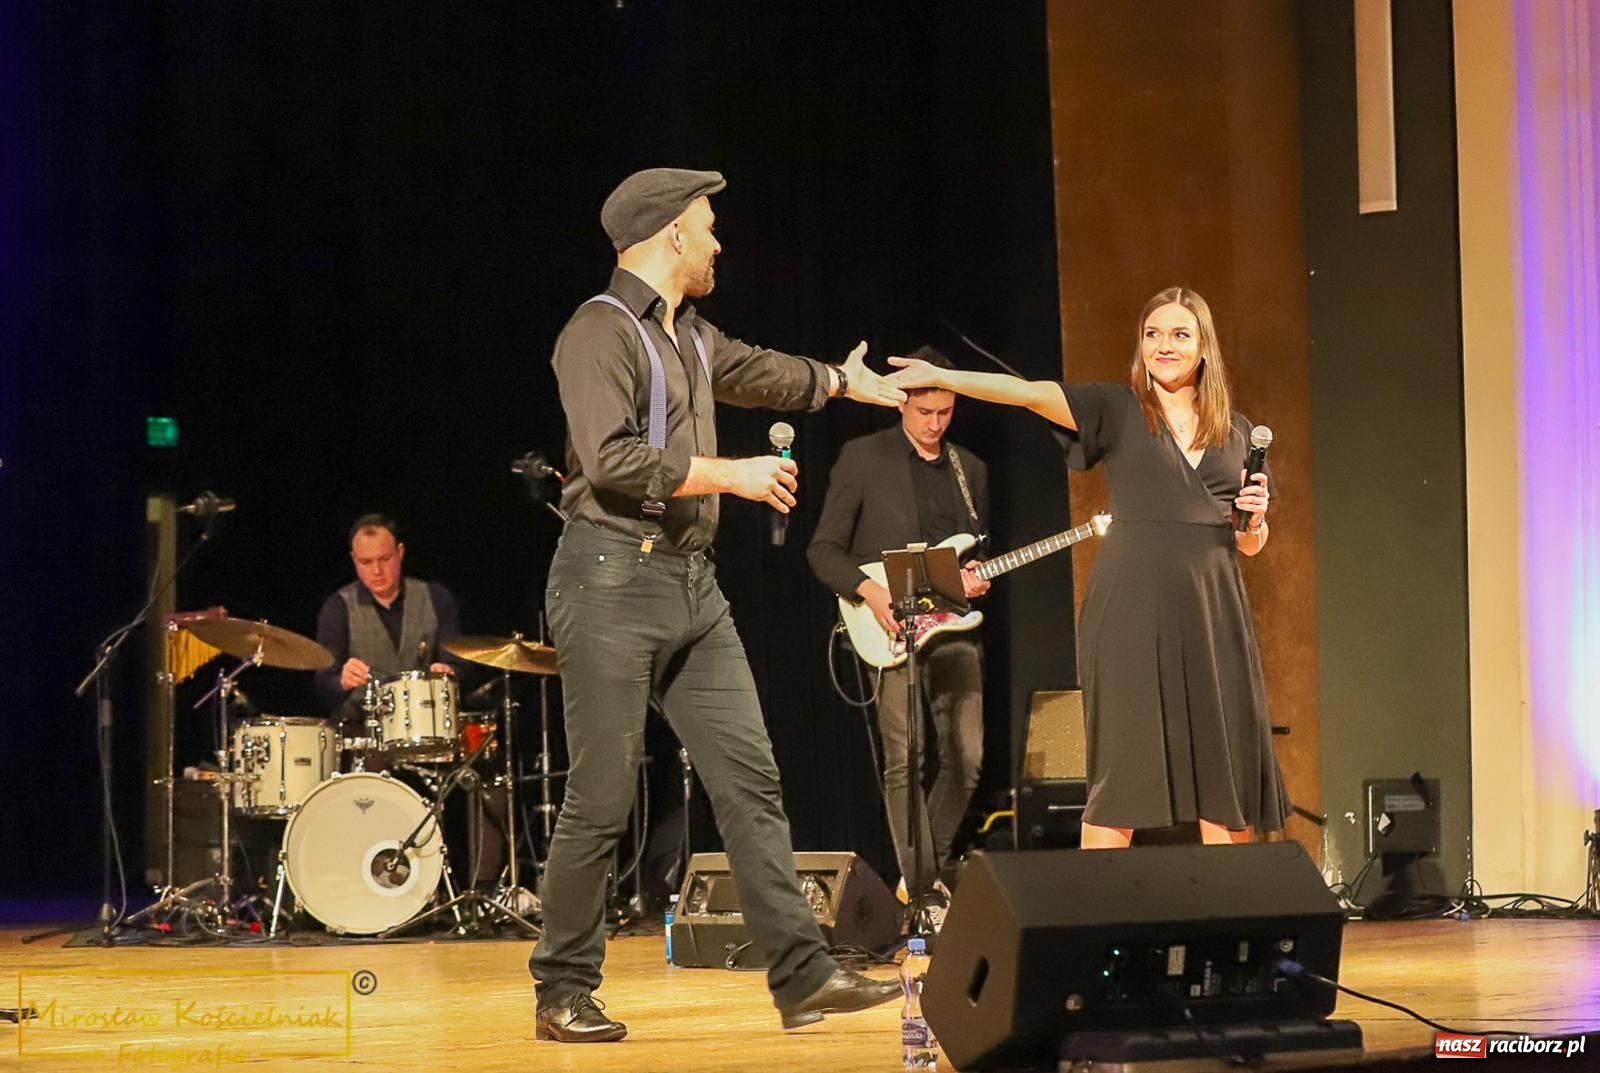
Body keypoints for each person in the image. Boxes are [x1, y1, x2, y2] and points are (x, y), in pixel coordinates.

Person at [529, 167, 907, 1043]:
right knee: (602, 791)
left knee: (752, 779)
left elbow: (761, 373)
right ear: (669, 236)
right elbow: (613, 458)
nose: (718, 242)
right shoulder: (598, 331)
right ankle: (562, 987)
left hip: (692, 585)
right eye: (708, 227)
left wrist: (840, 383)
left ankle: (802, 975)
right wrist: (730, 475)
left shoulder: (690, 338)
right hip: (609, 576)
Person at [884, 287, 1286, 850]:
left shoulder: (1237, 432)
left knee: (1220, 770)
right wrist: (946, 380)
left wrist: (1257, 522)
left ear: (1204, 347)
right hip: (1130, 606)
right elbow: (1026, 393)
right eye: (1152, 334)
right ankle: (1100, 926)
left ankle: (1228, 926)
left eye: (1179, 334)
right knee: (1121, 771)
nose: (1163, 346)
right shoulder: (1116, 408)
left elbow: (1246, 545)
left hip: (1211, 608)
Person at [807, 345, 990, 905]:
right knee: (904, 761)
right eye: (924, 413)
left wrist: (976, 579)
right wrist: (871, 591)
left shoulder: (971, 470)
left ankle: (919, 877)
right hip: (889, 628)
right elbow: (823, 551)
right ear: (901, 404)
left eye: (945, 412)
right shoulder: (863, 459)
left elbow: (973, 556)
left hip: (955, 629)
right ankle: (929, 893)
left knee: (968, 760)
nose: (935, 424)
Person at [313, 514, 463, 726]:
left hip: (426, 725)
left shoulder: (436, 598)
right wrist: (341, 681)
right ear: (354, 560)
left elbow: (461, 665)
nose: (376, 571)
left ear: (400, 552)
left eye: (384, 559)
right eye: (366, 562)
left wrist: (450, 673)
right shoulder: (338, 607)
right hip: (363, 729)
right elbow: (323, 686)